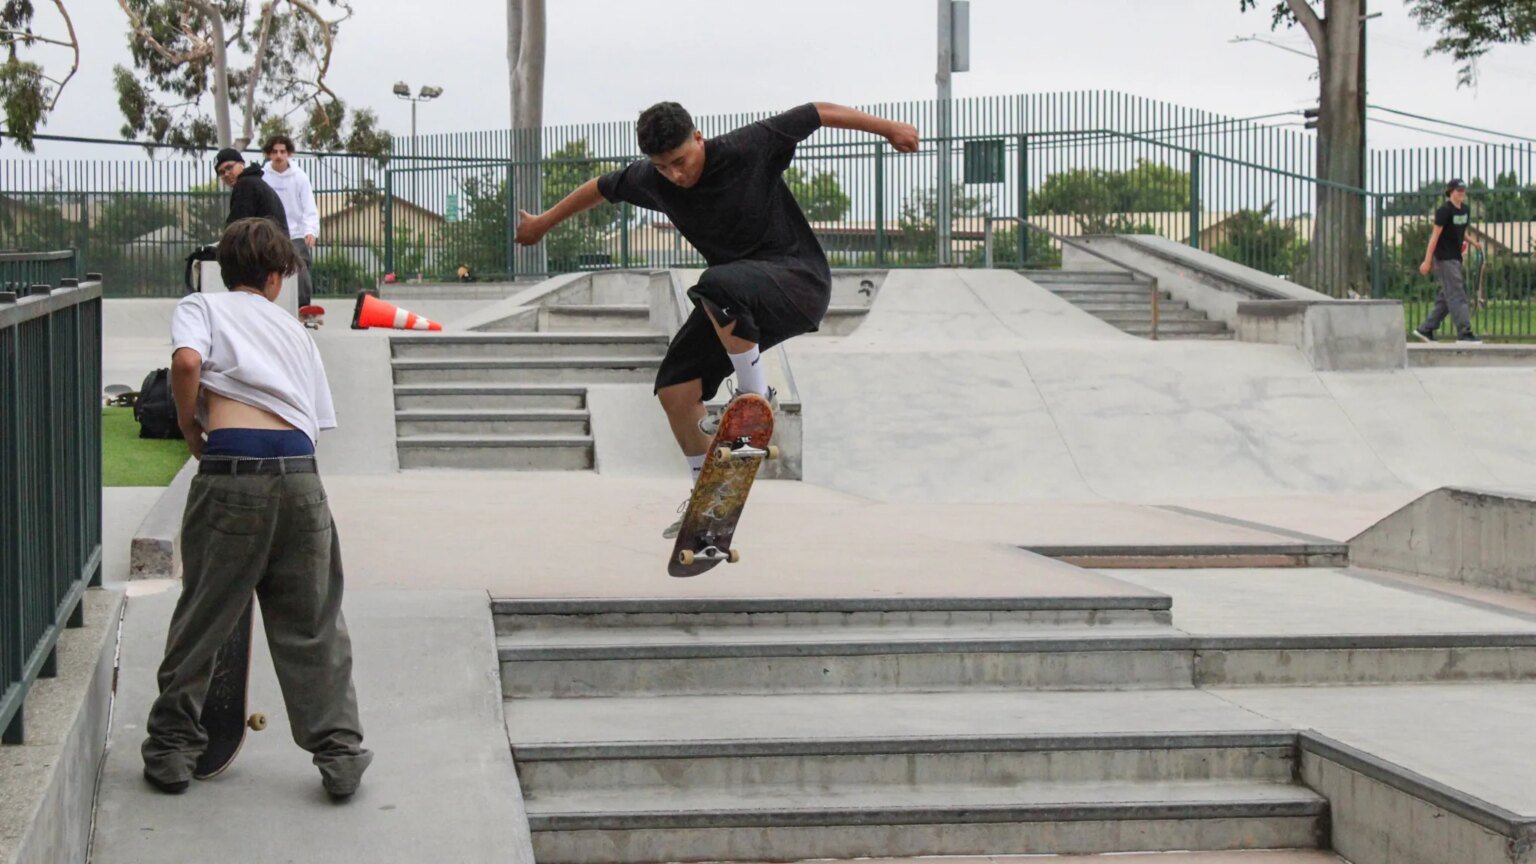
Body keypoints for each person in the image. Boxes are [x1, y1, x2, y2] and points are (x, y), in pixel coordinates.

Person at [516, 102, 917, 536]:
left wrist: (889, 128)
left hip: (798, 282)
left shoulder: (748, 147)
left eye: (680, 161)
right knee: (675, 387)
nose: (674, 175)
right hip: (736, 303)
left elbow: (817, 112)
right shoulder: (652, 179)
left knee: (716, 284)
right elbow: (599, 187)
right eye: (662, 166)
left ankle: (755, 396)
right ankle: (709, 503)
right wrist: (542, 223)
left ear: (699, 138)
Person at [141, 217, 371, 799]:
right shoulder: (295, 331)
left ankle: (172, 750)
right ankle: (340, 754)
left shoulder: (202, 306)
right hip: (301, 479)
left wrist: (192, 428)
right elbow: (314, 422)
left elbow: (186, 364)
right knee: (314, 624)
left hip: (232, 475)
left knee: (203, 617)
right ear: (276, 278)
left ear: (223, 269)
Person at [1413, 178, 1484, 343]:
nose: (1462, 193)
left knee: (1446, 297)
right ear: (1450, 192)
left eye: (1463, 190)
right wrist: (1427, 261)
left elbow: (1461, 231)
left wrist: (1474, 243)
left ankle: (1426, 329)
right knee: (1457, 293)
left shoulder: (1465, 210)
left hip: (1456, 258)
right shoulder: (1444, 211)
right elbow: (1435, 236)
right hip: (1444, 258)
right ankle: (1464, 332)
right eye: (1458, 190)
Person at [260, 134, 321, 307]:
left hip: (295, 233)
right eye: (274, 152)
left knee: (300, 264)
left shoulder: (300, 177)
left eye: (282, 151)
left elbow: (309, 207)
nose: (278, 156)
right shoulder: (263, 176)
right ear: (269, 154)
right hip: (271, 233)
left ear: (289, 154)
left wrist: (310, 231)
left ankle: (303, 306)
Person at [213, 147, 287, 231]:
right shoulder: (255, 182)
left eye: (229, 167)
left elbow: (238, 226)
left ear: (242, 164)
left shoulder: (245, 185)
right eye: (222, 172)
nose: (226, 174)